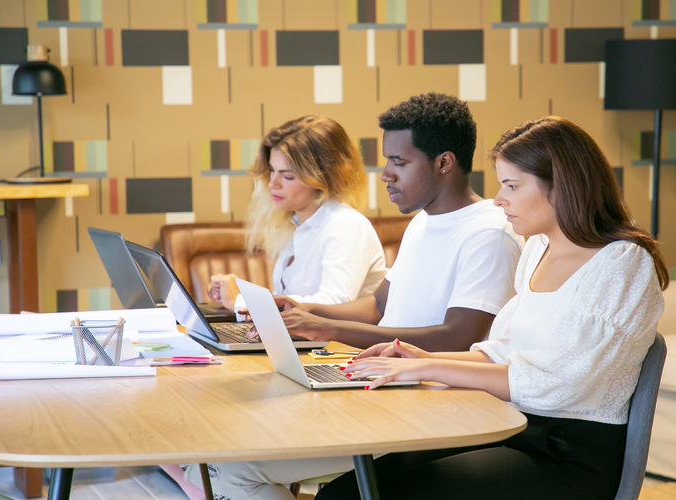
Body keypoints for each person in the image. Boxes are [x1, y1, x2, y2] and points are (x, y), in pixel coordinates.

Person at [317, 116, 670, 500]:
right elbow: (504, 351)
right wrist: (417, 357)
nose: (499, 198)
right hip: (510, 427)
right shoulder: (538, 248)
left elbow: (562, 386)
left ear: (563, 186)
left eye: (512, 186)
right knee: (348, 490)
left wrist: (426, 367)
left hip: (567, 456)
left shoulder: (623, 263)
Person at [196, 93, 523, 500]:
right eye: (387, 162)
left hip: (430, 404)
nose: (385, 174)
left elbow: (458, 337)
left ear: (444, 162)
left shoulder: (488, 233)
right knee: (225, 452)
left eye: (399, 163)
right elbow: (379, 306)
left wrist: (327, 327)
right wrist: (309, 309)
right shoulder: (423, 222)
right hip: (383, 383)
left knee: (236, 469)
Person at [207, 114, 387, 316]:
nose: (272, 183)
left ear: (324, 176)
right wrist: (239, 295)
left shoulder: (346, 225)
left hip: (343, 346)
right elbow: (288, 302)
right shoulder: (298, 224)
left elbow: (334, 304)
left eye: (288, 175)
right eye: (272, 170)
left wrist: (241, 302)